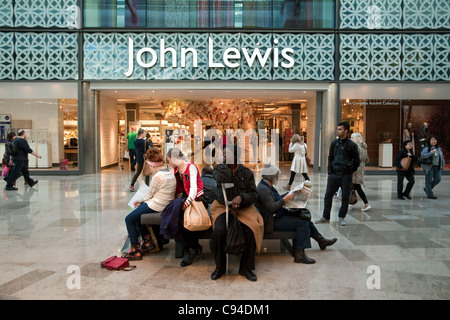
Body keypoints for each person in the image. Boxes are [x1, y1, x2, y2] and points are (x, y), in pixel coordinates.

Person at [256, 164, 337, 264]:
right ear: (271, 176)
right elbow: (271, 207)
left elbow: (276, 199)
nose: (277, 178)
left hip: (275, 216)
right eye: (276, 176)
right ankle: (300, 255)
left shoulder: (267, 185)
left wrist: (291, 193)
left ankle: (321, 240)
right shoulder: (263, 189)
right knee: (302, 222)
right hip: (271, 222)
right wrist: (285, 199)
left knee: (304, 217)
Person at [210, 144, 264, 282]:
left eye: (227, 153)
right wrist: (226, 168)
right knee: (219, 230)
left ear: (235, 156)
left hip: (244, 207)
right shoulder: (218, 170)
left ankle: (246, 268)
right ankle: (220, 267)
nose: (224, 156)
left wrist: (241, 198)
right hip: (223, 206)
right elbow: (218, 190)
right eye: (223, 154)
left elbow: (253, 194)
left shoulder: (247, 173)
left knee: (251, 229)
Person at [122, 148, 176, 260]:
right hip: (165, 203)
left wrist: (138, 201)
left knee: (129, 219)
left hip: (157, 205)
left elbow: (148, 195)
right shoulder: (168, 172)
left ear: (153, 165)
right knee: (137, 216)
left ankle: (135, 249)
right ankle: (147, 242)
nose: (150, 169)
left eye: (150, 167)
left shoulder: (157, 176)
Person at [166, 147, 206, 267]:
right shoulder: (177, 169)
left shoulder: (190, 167)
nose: (169, 163)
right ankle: (191, 246)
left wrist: (186, 202)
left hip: (195, 199)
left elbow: (193, 188)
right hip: (183, 198)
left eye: (169, 161)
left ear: (174, 158)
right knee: (173, 218)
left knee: (184, 220)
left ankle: (192, 249)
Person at [315, 122, 360, 226]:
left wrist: (350, 170)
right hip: (334, 174)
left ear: (346, 131)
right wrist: (330, 171)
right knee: (328, 196)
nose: (337, 131)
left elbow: (357, 161)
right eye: (337, 129)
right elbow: (330, 157)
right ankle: (326, 216)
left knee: (345, 197)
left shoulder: (352, 145)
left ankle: (341, 217)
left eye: (340, 129)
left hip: (346, 175)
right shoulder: (334, 143)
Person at [350, 132, 371, 212]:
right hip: (361, 168)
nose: (351, 139)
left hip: (355, 169)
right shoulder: (364, 147)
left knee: (357, 186)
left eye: (352, 138)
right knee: (354, 186)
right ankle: (350, 201)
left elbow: (353, 159)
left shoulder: (356, 147)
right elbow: (367, 160)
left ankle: (366, 203)